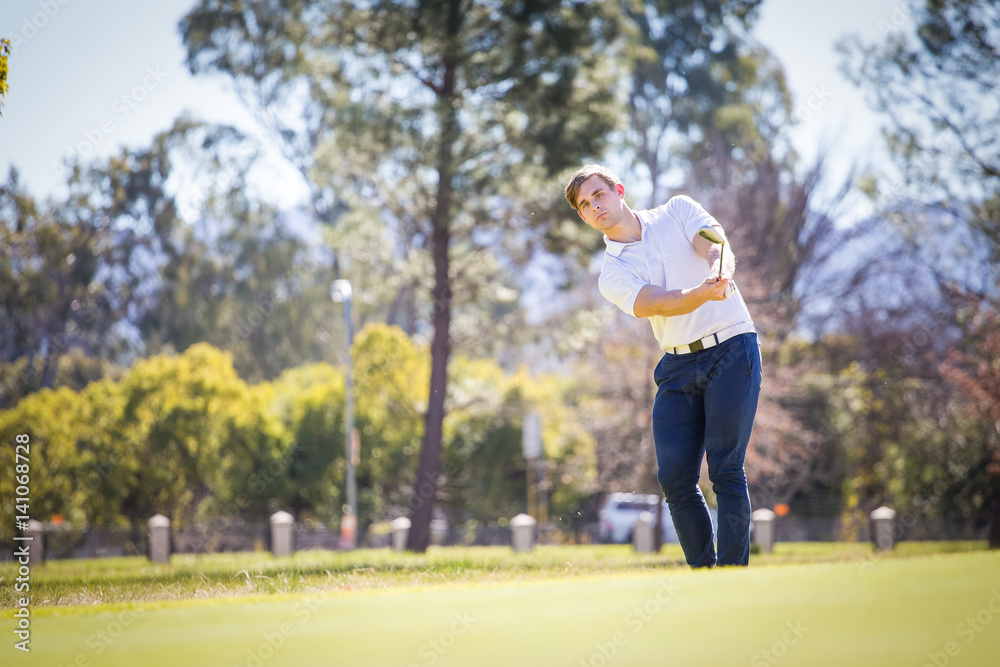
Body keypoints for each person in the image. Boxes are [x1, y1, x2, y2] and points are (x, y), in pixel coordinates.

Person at [564, 164, 762, 567]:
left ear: (618, 190)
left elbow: (714, 242)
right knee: (674, 478)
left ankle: (732, 575)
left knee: (725, 467)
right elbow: (657, 302)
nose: (595, 206)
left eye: (599, 194)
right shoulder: (612, 272)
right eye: (585, 205)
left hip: (733, 348)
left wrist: (720, 271)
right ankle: (704, 572)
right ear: (583, 218)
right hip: (677, 365)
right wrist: (702, 293)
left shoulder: (677, 210)